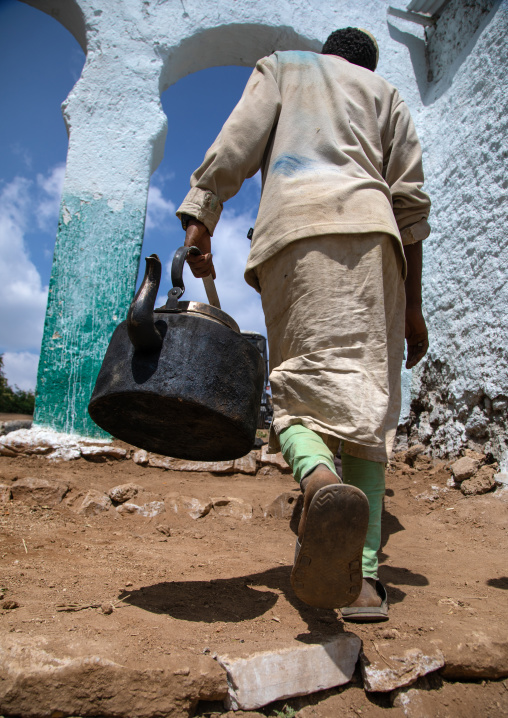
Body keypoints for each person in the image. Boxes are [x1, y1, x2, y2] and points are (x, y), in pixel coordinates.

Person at [176, 27, 430, 621]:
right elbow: (411, 207)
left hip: (292, 238)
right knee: (369, 406)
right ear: (368, 65)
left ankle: (316, 476)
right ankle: (364, 582)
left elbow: (235, 143)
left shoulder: (285, 67)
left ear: (326, 55)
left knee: (296, 383)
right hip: (374, 243)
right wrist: (413, 308)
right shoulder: (387, 95)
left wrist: (201, 217)